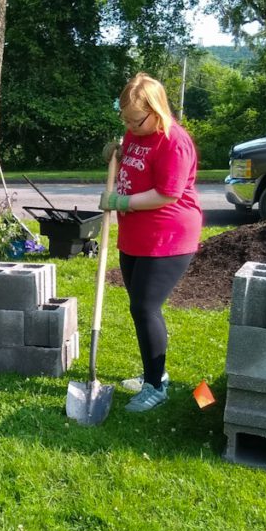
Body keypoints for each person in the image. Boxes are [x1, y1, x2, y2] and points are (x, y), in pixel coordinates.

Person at [99, 72, 203, 413]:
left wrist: (122, 203)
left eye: (136, 119)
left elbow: (167, 193)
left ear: (156, 110)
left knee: (144, 307)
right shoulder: (135, 133)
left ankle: (156, 386)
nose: (130, 125)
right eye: (125, 118)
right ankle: (152, 373)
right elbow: (131, 166)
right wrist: (114, 154)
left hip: (169, 234)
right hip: (137, 235)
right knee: (140, 307)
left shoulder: (174, 141)